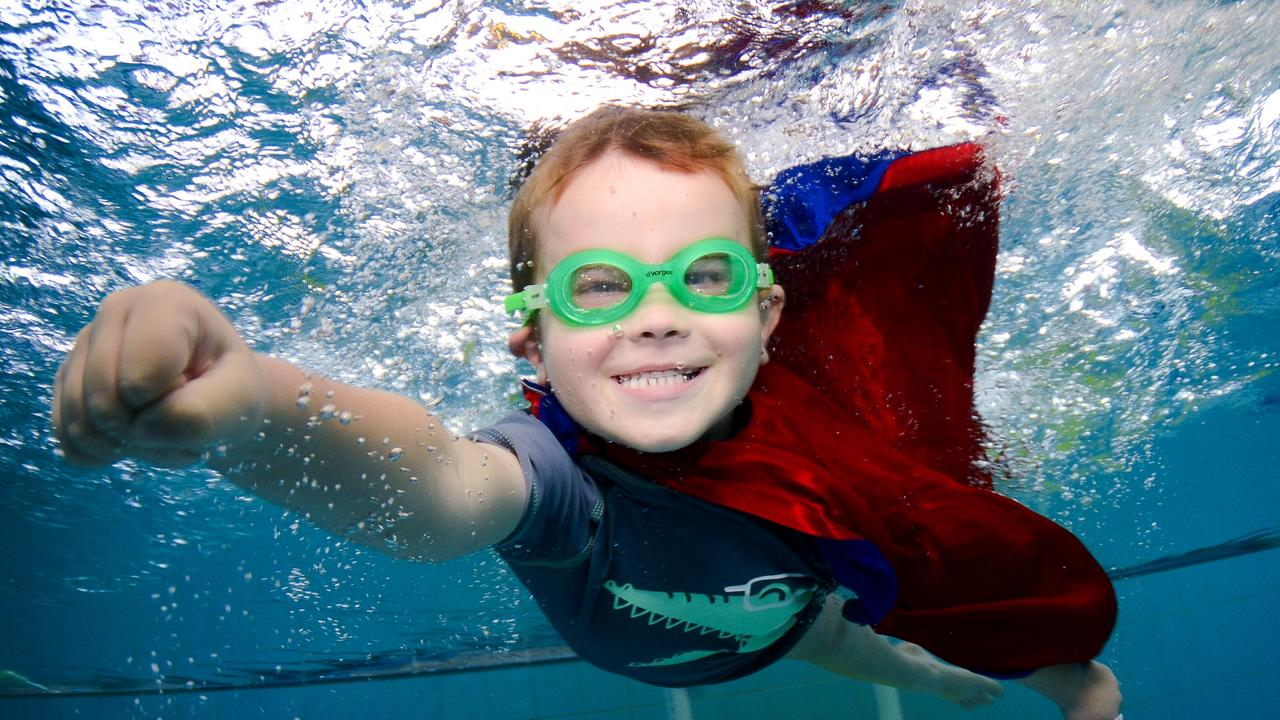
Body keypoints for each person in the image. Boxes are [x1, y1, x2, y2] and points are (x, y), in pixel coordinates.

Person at [52, 107, 1121, 719]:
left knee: (860, 639)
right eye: (598, 287)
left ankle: (1002, 677)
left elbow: (925, 553)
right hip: (771, 630)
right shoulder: (553, 480)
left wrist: (1042, 650)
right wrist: (250, 403)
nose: (655, 320)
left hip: (800, 616)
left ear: (764, 312)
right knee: (834, 643)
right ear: (531, 336)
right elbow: (435, 493)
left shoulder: (818, 447)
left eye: (701, 277)